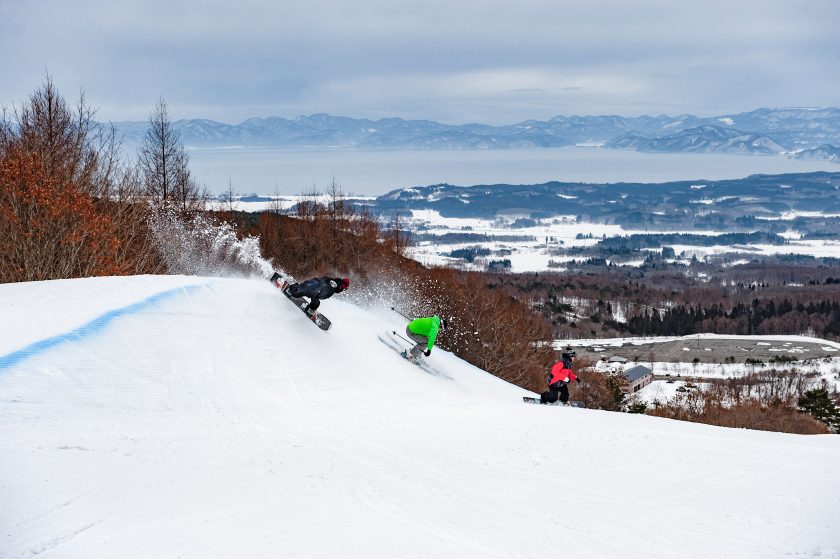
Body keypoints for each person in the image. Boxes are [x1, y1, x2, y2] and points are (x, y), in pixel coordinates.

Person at [271, 273, 349, 314]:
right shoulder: (334, 284)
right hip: (313, 287)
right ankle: (284, 284)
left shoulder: (335, 286)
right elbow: (325, 283)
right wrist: (318, 290)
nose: (343, 290)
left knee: (315, 303)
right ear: (343, 286)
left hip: (315, 291)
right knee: (295, 293)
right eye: (344, 289)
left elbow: (325, 282)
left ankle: (311, 308)